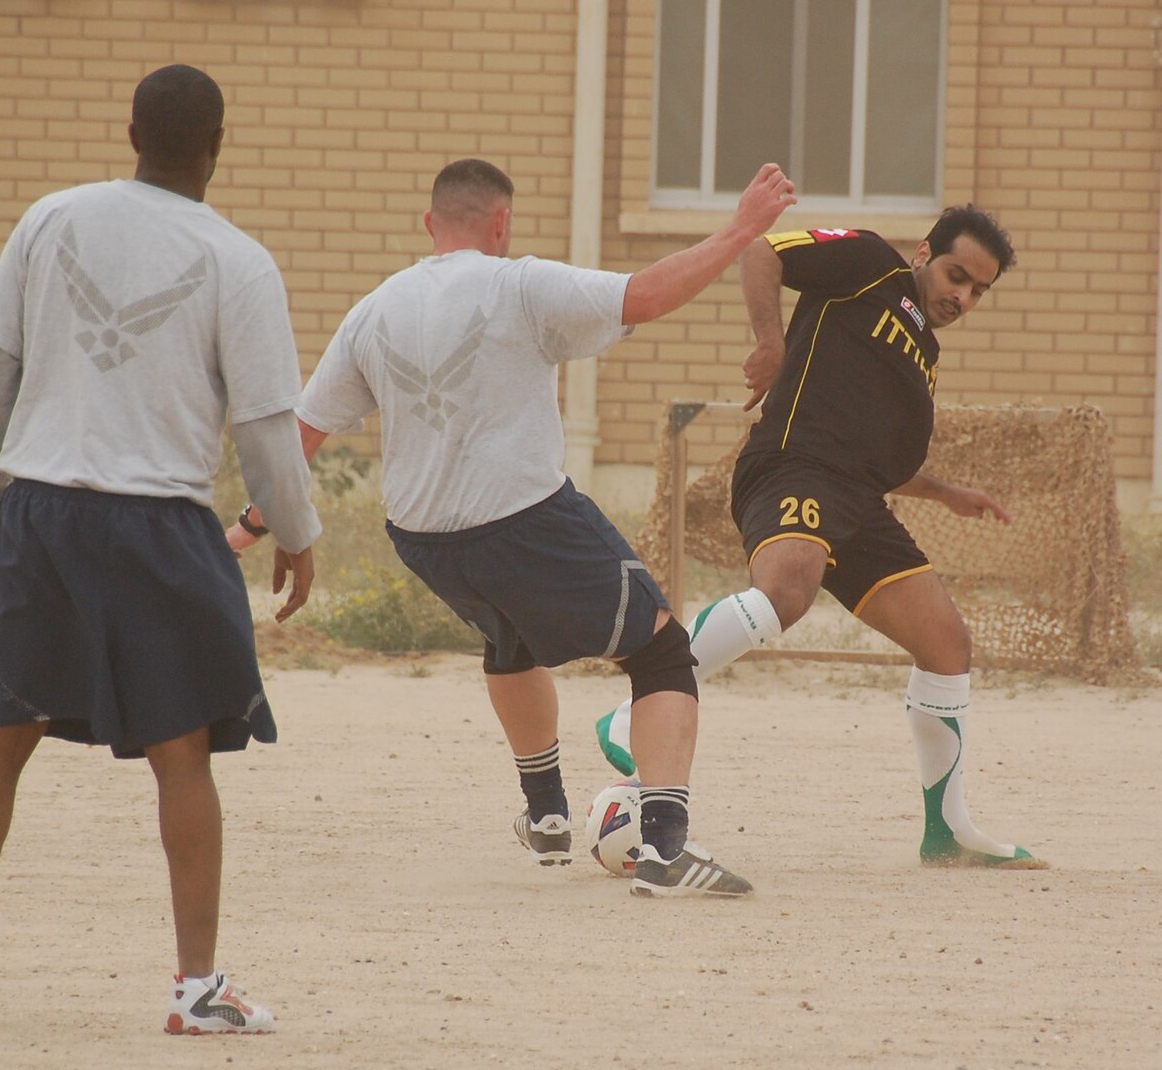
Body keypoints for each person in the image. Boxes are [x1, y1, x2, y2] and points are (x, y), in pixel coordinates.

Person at [232, 157, 797, 896]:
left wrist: (244, 530)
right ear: (500, 223)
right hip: (524, 520)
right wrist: (742, 228)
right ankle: (663, 850)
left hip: (422, 538)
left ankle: (548, 816)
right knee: (661, 654)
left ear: (432, 223)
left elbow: (299, 438)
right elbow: (649, 295)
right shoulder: (520, 283)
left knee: (511, 638)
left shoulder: (373, 310)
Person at [0, 65, 322, 1035]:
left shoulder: (51, 220)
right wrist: (293, 529)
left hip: (42, 510)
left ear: (128, 130)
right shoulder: (237, 259)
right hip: (162, 525)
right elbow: (264, 422)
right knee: (181, 755)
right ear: (218, 146)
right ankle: (195, 988)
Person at [595, 206, 1050, 871]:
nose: (963, 296)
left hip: (856, 503)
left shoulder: (922, 349)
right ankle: (632, 710)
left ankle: (948, 831)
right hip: (793, 466)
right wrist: (770, 343)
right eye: (957, 275)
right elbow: (763, 253)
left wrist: (945, 493)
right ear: (925, 253)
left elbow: (875, 456)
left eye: (978, 290)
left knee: (947, 643)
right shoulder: (871, 267)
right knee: (786, 588)